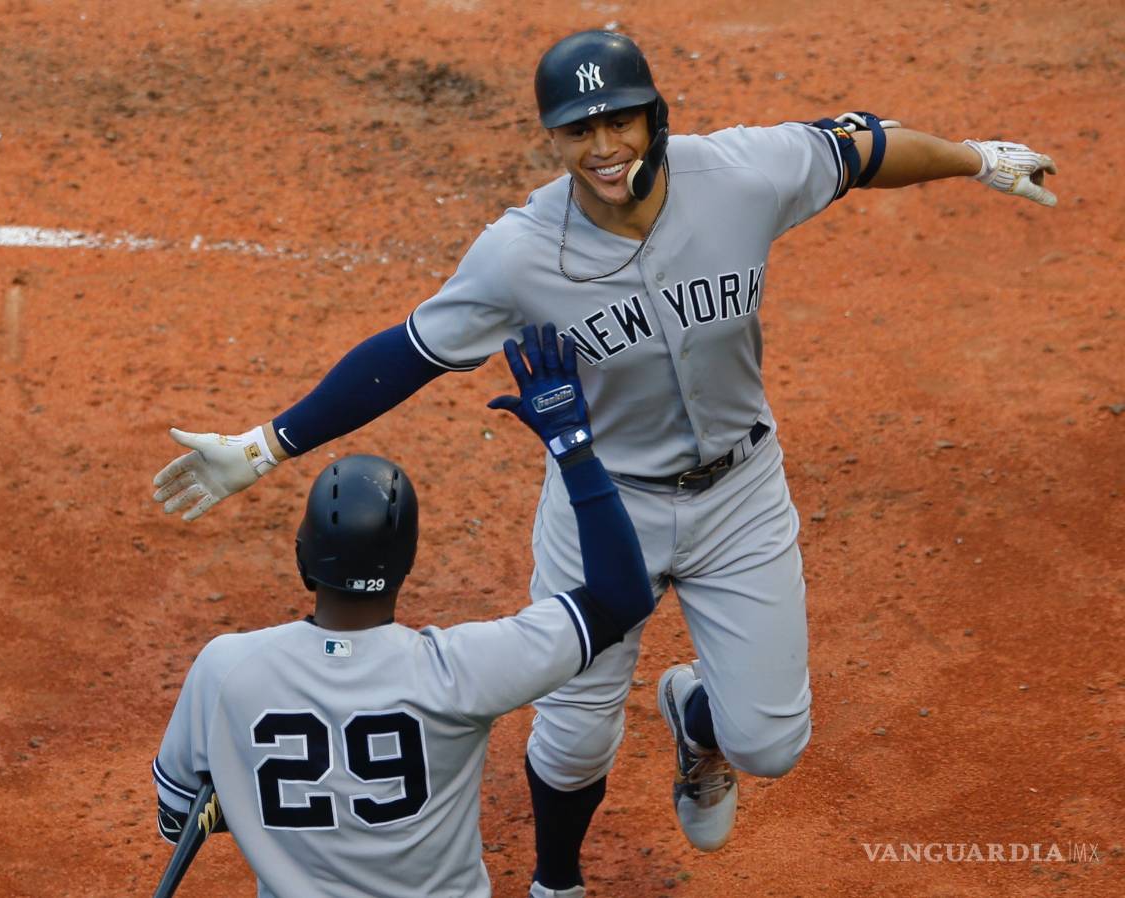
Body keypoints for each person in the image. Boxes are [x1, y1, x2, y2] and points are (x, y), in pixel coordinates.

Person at [151, 29, 1058, 898]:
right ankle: (557, 879)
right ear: (555, 139)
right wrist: (266, 445)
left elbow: (859, 148)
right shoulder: (519, 254)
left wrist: (977, 157)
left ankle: (695, 720)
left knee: (769, 745)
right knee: (575, 731)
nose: (603, 146)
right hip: (604, 501)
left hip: (740, 494)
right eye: (578, 131)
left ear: (655, 115)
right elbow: (410, 350)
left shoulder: (741, 174)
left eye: (618, 120)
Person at [152, 325, 654, 898]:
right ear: (408, 562)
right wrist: (573, 446)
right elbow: (622, 598)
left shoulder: (226, 670)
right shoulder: (462, 670)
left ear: (301, 558)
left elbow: (176, 818)